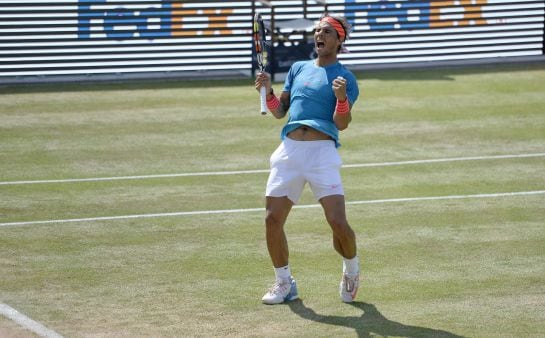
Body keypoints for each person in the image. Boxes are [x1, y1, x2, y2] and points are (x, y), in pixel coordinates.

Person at [255, 14, 360, 305]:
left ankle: (351, 270)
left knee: (337, 222)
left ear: (339, 40)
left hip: (321, 153)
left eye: (326, 31)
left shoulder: (346, 78)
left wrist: (340, 97)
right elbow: (280, 111)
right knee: (272, 219)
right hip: (288, 150)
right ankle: (284, 283)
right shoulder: (299, 68)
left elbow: (342, 123)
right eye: (316, 31)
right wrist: (269, 91)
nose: (319, 35)